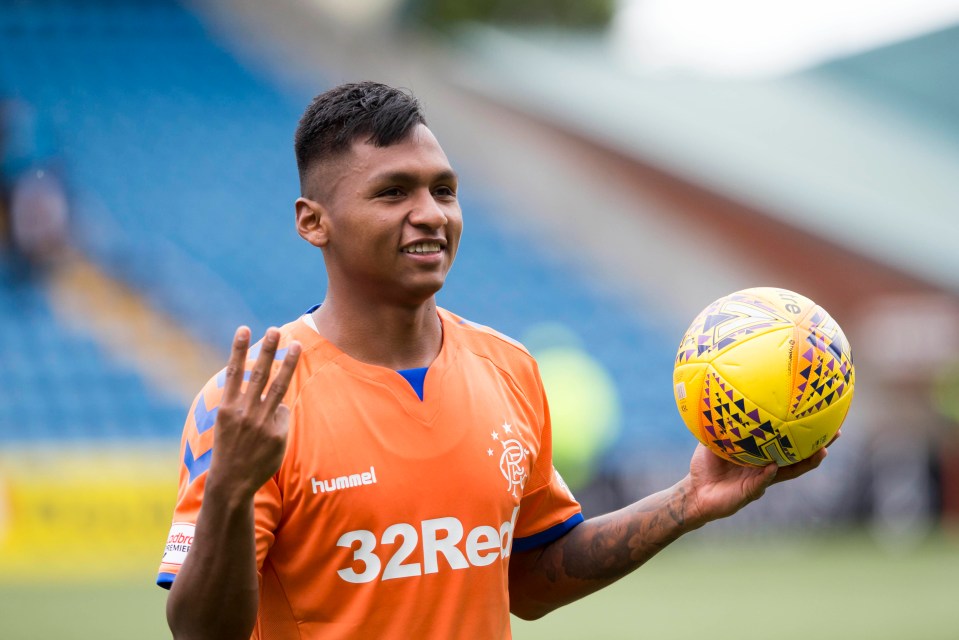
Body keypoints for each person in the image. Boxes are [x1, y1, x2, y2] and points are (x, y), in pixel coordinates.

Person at [159, 82, 832, 639]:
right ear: (313, 221)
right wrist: (230, 489)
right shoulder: (250, 402)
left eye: (443, 190)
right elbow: (197, 632)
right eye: (393, 193)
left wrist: (686, 503)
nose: (430, 214)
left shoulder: (507, 366)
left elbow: (532, 579)